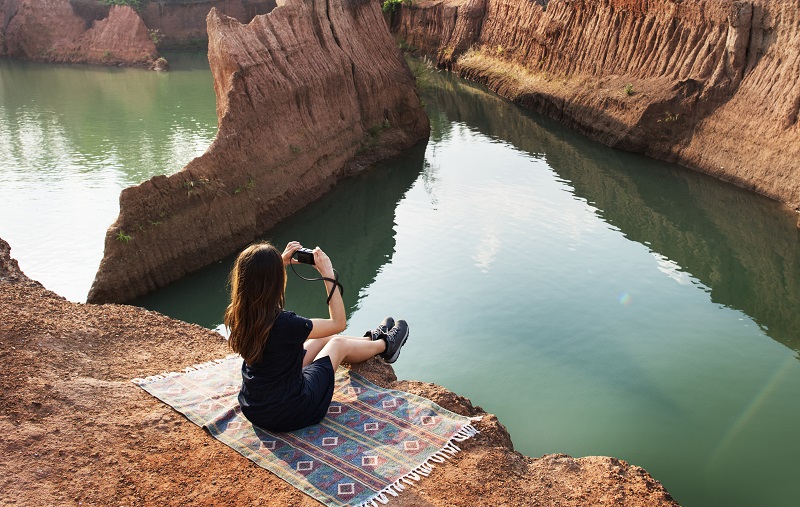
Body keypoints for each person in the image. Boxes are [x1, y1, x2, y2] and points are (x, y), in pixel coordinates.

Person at [224, 241, 409, 432]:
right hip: (291, 411)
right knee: (337, 342)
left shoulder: (237, 314)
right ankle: (385, 345)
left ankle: (370, 340)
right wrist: (328, 274)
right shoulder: (286, 323)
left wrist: (279, 263)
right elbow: (338, 323)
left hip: (254, 407)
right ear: (275, 281)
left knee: (320, 339)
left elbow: (256, 281)